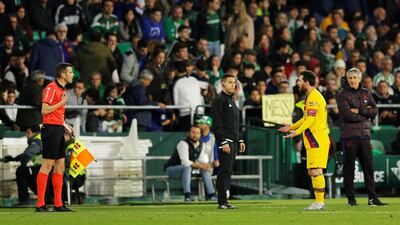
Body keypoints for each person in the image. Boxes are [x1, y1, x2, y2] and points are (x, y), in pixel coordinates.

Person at [336, 68, 388, 206]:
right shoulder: (342, 94)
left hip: (364, 136)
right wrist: (366, 114)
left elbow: (375, 110)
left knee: (368, 167)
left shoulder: (366, 92)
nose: (352, 80)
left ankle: (372, 198)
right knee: (349, 169)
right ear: (347, 79)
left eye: (355, 77)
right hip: (349, 137)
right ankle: (351, 199)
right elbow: (347, 114)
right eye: (350, 77)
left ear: (360, 79)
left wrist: (359, 111)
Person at [278, 70, 330, 210]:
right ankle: (318, 202)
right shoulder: (310, 97)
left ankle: (319, 203)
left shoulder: (313, 97)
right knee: (313, 171)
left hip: (316, 139)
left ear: (307, 82)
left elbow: (310, 120)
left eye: (300, 80)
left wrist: (296, 132)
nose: (298, 83)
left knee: (316, 171)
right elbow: (305, 118)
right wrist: (291, 127)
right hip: (314, 139)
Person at [35, 63, 74, 212]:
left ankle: (58, 204)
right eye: (70, 72)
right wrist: (61, 103)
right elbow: (44, 110)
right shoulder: (51, 88)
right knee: (47, 166)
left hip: (58, 128)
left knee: (60, 166)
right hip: (50, 130)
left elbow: (55, 114)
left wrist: (65, 126)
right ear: (63, 75)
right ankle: (40, 204)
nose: (72, 75)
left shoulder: (60, 88)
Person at [211, 74, 245, 209]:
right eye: (230, 82)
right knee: (224, 171)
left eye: (234, 82)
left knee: (228, 171)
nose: (233, 85)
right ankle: (222, 201)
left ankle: (225, 201)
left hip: (233, 141)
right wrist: (223, 141)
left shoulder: (231, 100)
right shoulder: (219, 100)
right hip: (225, 141)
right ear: (222, 84)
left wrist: (240, 139)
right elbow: (217, 124)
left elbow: (235, 124)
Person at [164, 125, 216, 202]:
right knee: (187, 167)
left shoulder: (202, 145)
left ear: (200, 135)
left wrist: (206, 165)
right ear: (189, 133)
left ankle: (211, 195)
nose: (195, 135)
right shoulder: (183, 143)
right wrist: (201, 165)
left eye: (197, 133)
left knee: (204, 169)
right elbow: (185, 162)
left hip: (189, 170)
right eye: (193, 132)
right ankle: (187, 195)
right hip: (172, 169)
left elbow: (201, 160)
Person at [3, 126, 42, 206]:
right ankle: (45, 196)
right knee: (27, 172)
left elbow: (27, 154)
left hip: (41, 168)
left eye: (28, 132)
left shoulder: (37, 141)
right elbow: (26, 154)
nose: (26, 135)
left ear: (33, 132)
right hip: (43, 169)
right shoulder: (41, 138)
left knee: (21, 171)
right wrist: (13, 159)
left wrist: (23, 164)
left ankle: (24, 201)